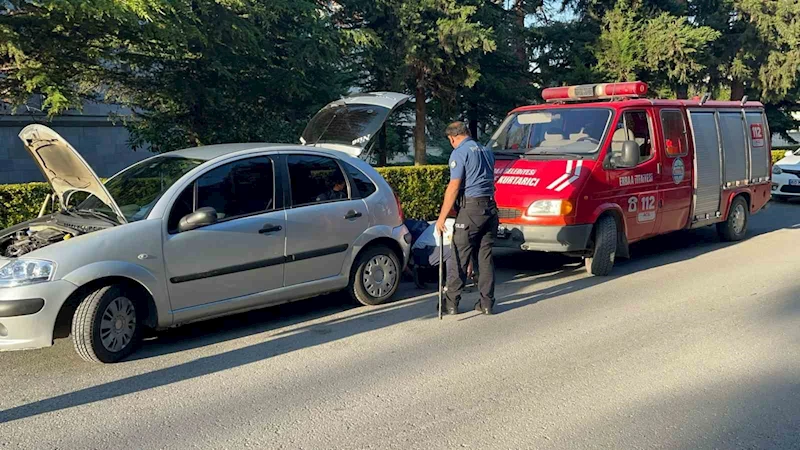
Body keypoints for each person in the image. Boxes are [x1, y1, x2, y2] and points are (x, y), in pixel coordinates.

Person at [435, 121, 498, 315]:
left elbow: (454, 186)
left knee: (458, 256)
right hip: (490, 208)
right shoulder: (485, 150)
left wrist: (441, 218)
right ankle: (486, 303)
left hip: (471, 209)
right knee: (485, 257)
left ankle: (451, 303)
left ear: (453, 137)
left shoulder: (460, 152)